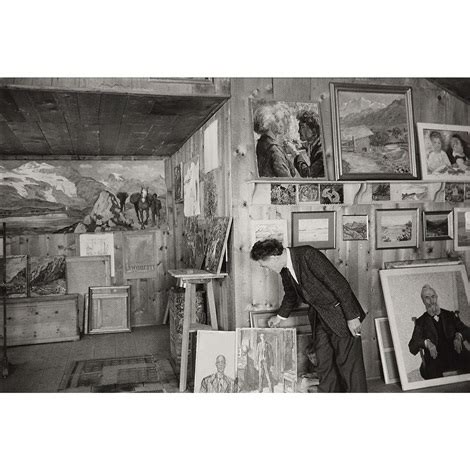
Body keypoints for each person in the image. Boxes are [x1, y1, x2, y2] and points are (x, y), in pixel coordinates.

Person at [250, 238, 367, 393]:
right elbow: (291, 295)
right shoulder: (284, 269)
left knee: (350, 368)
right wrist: (279, 317)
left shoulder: (308, 255)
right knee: (325, 366)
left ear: (274, 257)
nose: (265, 268)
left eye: (264, 265)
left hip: (341, 315)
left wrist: (352, 317)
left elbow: (341, 285)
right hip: (319, 317)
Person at [408, 284, 470, 380]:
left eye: (433, 296)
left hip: (455, 352)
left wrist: (459, 336)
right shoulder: (421, 321)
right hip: (435, 358)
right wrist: (427, 343)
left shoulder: (450, 315)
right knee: (433, 374)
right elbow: (413, 345)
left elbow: (467, 330)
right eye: (427, 298)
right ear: (423, 301)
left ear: (436, 297)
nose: (431, 301)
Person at [253, 103, 297, 178]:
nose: (281, 124)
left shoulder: (262, 143)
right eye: (277, 121)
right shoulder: (273, 149)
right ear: (268, 123)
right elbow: (287, 179)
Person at [293, 110, 325, 178]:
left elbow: (308, 175)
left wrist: (296, 155)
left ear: (313, 131)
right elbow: (308, 145)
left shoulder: (322, 153)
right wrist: (301, 145)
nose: (299, 131)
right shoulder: (314, 143)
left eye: (302, 127)